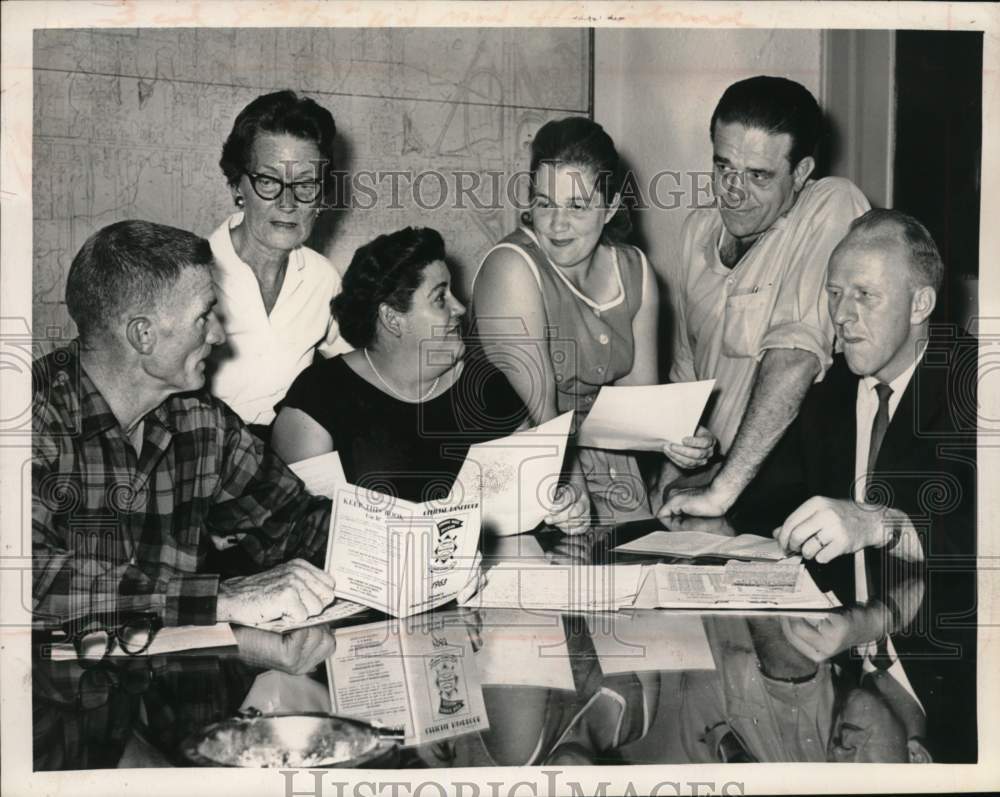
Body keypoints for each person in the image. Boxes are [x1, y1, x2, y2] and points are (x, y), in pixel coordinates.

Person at [747, 209, 977, 762]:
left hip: (947, 662)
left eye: (865, 296)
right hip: (835, 652)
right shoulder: (833, 394)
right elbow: (764, 508)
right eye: (833, 294)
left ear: (921, 304)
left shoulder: (974, 387)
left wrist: (877, 523)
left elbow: (978, 538)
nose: (842, 317)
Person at [33, 220, 339, 630]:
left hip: (174, 685)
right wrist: (217, 598)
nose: (218, 335)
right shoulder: (27, 414)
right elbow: (24, 577)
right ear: (144, 335)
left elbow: (295, 525)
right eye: (204, 315)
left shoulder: (201, 420)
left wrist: (423, 544)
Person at [473, 117, 715, 526]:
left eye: (577, 206)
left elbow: (637, 406)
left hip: (614, 470)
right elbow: (542, 415)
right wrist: (574, 499)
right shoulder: (512, 268)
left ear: (611, 208)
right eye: (544, 202)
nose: (555, 223)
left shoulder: (634, 268)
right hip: (530, 470)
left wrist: (678, 436)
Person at [660, 76, 870, 519]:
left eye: (758, 175)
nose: (732, 192)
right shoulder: (696, 230)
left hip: (783, 490)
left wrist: (721, 491)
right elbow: (685, 373)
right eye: (723, 167)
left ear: (801, 172)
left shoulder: (832, 204)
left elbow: (795, 357)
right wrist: (668, 477)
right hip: (708, 487)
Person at [271, 227, 536, 511]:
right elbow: (290, 523)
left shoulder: (485, 385)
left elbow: (533, 492)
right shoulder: (319, 396)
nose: (459, 307)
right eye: (440, 297)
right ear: (392, 318)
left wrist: (563, 504)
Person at [208, 90, 350, 438]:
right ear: (236, 186)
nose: (288, 202)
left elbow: (354, 371)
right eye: (269, 181)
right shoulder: (190, 274)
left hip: (289, 465)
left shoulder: (323, 279)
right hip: (203, 463)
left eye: (305, 184)